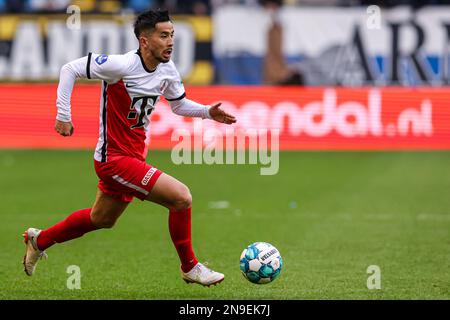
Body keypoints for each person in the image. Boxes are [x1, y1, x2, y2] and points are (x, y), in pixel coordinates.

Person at [22, 9, 236, 287]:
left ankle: (39, 240)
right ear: (144, 41)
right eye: (163, 35)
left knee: (101, 218)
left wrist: (208, 112)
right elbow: (69, 69)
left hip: (134, 157)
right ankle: (190, 267)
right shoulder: (120, 66)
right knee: (181, 197)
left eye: (172, 35)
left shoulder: (167, 69)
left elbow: (178, 104)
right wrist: (63, 114)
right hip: (114, 160)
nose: (170, 41)